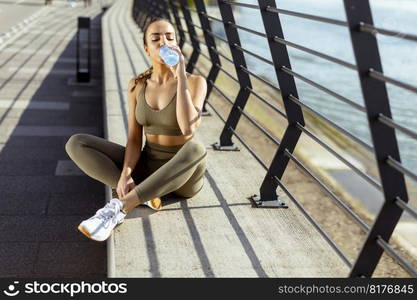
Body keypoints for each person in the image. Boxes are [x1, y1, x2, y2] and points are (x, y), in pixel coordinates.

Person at [65, 17, 208, 242]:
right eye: (156, 38)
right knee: (76, 143)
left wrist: (179, 75)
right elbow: (133, 138)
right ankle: (143, 195)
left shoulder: (195, 82)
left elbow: (188, 126)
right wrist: (126, 174)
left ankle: (120, 207)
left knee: (196, 149)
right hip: (149, 164)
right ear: (146, 48)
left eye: (170, 38)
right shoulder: (137, 85)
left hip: (182, 174)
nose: (164, 43)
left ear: (177, 45)